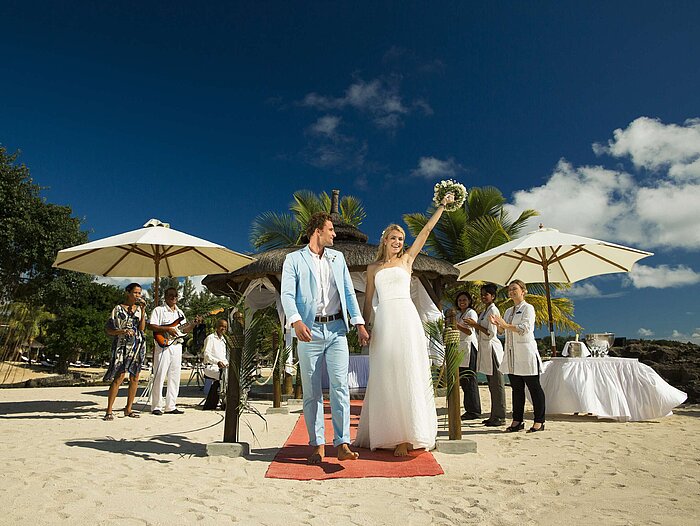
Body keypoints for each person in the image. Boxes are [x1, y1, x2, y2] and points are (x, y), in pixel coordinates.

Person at [354, 192, 454, 456]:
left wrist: (441, 206)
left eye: (401, 239)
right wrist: (364, 327)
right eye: (394, 238)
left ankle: (406, 436)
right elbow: (368, 301)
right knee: (386, 373)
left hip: (406, 319)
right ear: (385, 240)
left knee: (408, 371)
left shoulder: (408, 260)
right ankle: (386, 431)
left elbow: (426, 231)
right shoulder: (373, 268)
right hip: (384, 320)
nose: (398, 242)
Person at [280, 212, 370, 464]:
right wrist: (296, 320)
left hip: (337, 330)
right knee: (311, 391)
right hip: (308, 331)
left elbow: (349, 293)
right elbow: (287, 294)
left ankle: (342, 443)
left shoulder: (337, 258)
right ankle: (317, 444)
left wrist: (359, 323)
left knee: (340, 387)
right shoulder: (293, 259)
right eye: (330, 230)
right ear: (317, 231)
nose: (335, 234)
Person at [490, 279, 546, 433]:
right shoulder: (508, 311)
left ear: (523, 291)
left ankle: (539, 421)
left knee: (534, 388)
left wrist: (506, 325)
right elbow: (504, 331)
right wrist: (498, 325)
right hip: (512, 354)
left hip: (526, 353)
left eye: (515, 289)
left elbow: (525, 328)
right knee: (516, 389)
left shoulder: (529, 308)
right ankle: (517, 421)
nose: (512, 292)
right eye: (509, 290)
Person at [148, 287, 200, 416]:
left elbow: (184, 330)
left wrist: (193, 324)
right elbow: (151, 326)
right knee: (159, 375)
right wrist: (167, 329)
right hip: (163, 346)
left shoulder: (180, 313)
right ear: (165, 296)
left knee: (175, 376)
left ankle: (171, 405)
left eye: (176, 295)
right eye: (171, 295)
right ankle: (156, 406)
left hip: (177, 346)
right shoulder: (159, 310)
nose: (173, 297)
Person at [103, 283, 147, 420]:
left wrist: (144, 311)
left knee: (135, 377)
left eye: (140, 293)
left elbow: (142, 328)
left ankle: (128, 409)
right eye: (135, 293)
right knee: (119, 377)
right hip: (121, 345)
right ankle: (109, 410)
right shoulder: (118, 309)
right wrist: (122, 331)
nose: (138, 296)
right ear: (128, 293)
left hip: (137, 345)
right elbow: (109, 329)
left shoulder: (139, 310)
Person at [464, 283, 506, 426]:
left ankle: (500, 416)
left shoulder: (493, 311)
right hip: (485, 349)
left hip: (492, 349)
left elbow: (491, 332)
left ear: (493, 296)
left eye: (485, 294)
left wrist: (475, 325)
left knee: (497, 383)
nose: (483, 297)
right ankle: (494, 415)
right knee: (491, 384)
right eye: (482, 294)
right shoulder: (484, 311)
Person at [454, 291, 481, 420]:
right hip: (461, 348)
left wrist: (457, 325)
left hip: (469, 347)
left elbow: (469, 331)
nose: (462, 302)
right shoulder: (459, 314)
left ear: (469, 301)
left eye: (464, 300)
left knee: (470, 379)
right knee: (464, 381)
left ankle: (474, 410)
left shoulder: (471, 313)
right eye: (460, 300)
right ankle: (469, 408)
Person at [202, 319, 229, 410]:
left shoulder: (223, 340)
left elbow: (223, 358)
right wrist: (217, 362)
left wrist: (227, 364)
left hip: (222, 367)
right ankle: (225, 402)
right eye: (222, 326)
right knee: (225, 376)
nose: (223, 328)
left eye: (225, 327)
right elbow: (206, 355)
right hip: (211, 366)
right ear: (217, 327)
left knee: (232, 374)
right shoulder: (210, 338)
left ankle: (227, 401)